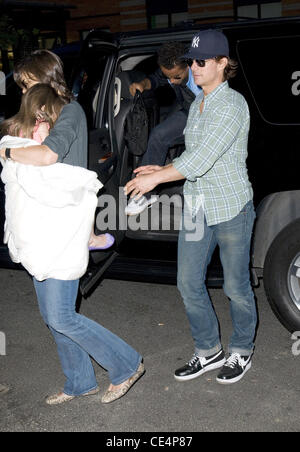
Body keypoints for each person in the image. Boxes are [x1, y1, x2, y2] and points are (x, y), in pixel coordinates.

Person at [0, 50, 144, 404]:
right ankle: (80, 381)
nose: (23, 93)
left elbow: (48, 156)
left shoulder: (71, 111)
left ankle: (127, 364)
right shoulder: (41, 117)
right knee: (53, 317)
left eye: (27, 84)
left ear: (45, 79)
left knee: (62, 315)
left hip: (62, 230)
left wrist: (5, 152)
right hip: (41, 229)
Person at [125, 29, 257, 385]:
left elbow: (202, 158)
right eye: (192, 61)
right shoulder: (199, 103)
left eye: (202, 61)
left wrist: (156, 180)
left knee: (236, 287)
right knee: (187, 283)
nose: (194, 67)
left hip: (230, 208)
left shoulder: (231, 104)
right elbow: (191, 153)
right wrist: (159, 167)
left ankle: (241, 350)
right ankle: (209, 350)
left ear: (222, 63)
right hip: (198, 206)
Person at [125, 41, 202, 216]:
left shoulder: (204, 80)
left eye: (177, 77)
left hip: (205, 119)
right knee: (159, 135)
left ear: (189, 65)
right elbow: (155, 79)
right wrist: (142, 85)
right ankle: (143, 195)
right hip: (188, 112)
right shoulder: (171, 71)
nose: (173, 82)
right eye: (169, 77)